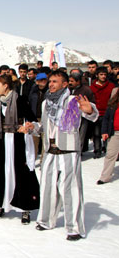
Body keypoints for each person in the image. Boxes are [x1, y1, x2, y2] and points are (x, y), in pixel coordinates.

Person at [29, 70, 98, 241]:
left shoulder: (73, 101)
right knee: (47, 187)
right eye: (50, 81)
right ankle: (46, 220)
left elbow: (91, 113)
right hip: (50, 151)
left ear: (65, 84)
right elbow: (44, 127)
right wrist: (33, 127)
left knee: (70, 190)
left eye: (55, 82)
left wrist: (90, 110)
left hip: (68, 151)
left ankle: (74, 227)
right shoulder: (46, 103)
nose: (51, 84)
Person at [0, 75, 40, 224]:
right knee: (1, 171)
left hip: (18, 141)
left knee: (21, 171)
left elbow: (31, 119)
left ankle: (25, 208)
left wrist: (28, 126)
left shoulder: (20, 100)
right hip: (3, 140)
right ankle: (1, 204)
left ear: (6, 86)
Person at [90, 67, 115, 158]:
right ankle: (97, 150)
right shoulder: (92, 87)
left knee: (108, 132)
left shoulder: (111, 86)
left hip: (108, 112)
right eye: (101, 74)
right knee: (96, 133)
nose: (103, 76)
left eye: (105, 74)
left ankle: (108, 149)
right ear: (97, 75)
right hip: (96, 113)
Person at [97, 91, 119, 184]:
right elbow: (106, 118)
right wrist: (104, 131)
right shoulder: (113, 103)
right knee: (110, 154)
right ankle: (105, 177)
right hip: (115, 132)